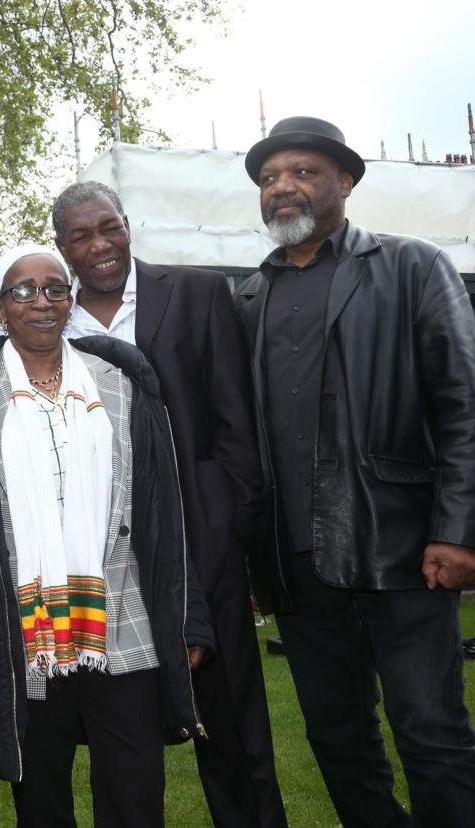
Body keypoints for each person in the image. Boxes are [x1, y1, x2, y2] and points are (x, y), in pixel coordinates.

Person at [0, 245, 213, 827]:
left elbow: (162, 513)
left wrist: (190, 615)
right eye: (23, 291)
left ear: (71, 301)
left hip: (124, 618)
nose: (42, 302)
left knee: (134, 792)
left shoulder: (122, 383)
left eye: (55, 289)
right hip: (24, 626)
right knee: (43, 798)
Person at [236, 115, 475, 825]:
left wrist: (458, 530)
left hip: (403, 552)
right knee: (338, 741)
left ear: (344, 182)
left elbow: (464, 404)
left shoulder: (410, 266)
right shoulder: (248, 297)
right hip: (298, 569)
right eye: (270, 177)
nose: (283, 187)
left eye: (303, 171)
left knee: (431, 736)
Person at [53, 181, 287, 827]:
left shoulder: (198, 293)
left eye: (110, 227)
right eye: (82, 235)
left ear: (128, 225)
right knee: (115, 733)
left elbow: (237, 422)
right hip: (100, 559)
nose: (100, 245)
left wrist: (227, 525)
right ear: (62, 247)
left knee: (235, 730)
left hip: (200, 547)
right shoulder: (51, 319)